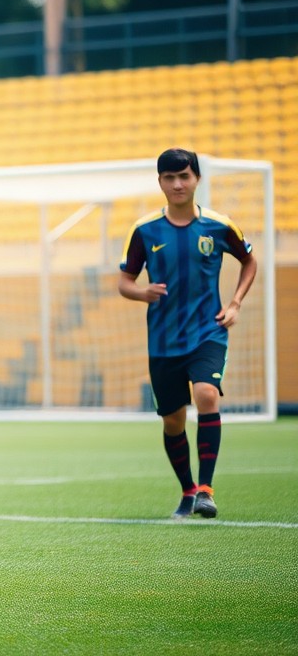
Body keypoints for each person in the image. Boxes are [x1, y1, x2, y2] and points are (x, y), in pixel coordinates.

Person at [118, 148, 256, 520]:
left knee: (207, 394)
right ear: (160, 182)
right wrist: (141, 292)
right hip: (163, 341)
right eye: (169, 177)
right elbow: (124, 282)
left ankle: (207, 491)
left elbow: (248, 260)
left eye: (184, 176)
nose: (178, 184)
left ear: (197, 179)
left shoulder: (219, 225)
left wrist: (236, 302)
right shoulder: (144, 230)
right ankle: (188, 490)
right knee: (173, 421)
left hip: (207, 332)